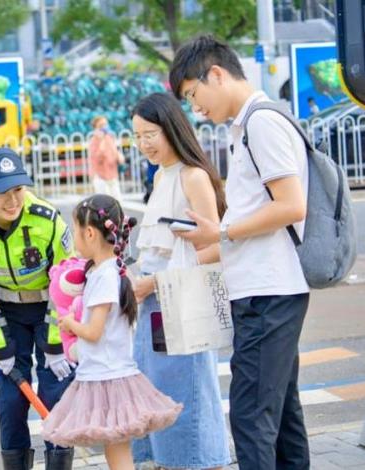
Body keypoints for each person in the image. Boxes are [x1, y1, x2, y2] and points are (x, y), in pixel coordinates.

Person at [169, 35, 310, 470]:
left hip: (270, 293)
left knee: (251, 417)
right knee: (281, 416)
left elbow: (291, 205)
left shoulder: (261, 123)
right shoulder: (248, 126)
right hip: (266, 289)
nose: (196, 109)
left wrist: (221, 231)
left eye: (194, 95)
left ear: (216, 74)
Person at [42, 194, 182, 470]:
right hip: (108, 373)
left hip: (106, 377)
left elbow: (94, 332)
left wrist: (70, 324)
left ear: (90, 233)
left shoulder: (104, 276)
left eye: (76, 232)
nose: (75, 240)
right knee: (115, 450)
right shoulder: (108, 270)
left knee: (117, 452)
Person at [0, 148, 76, 469]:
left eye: (18, 190)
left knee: (55, 397)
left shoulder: (47, 219)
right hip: (7, 317)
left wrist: (56, 343)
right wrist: (0, 346)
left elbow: (67, 285)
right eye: (2, 192)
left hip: (51, 314)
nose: (12, 201)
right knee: (10, 403)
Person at [130, 93, 231, 469]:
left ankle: (199, 462)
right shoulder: (161, 176)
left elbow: (215, 247)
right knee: (158, 390)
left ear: (172, 127)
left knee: (186, 392)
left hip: (181, 301)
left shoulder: (193, 177)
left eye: (150, 133)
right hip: (154, 303)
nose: (144, 144)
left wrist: (154, 283)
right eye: (138, 136)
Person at [88, 116, 125, 200]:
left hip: (112, 174)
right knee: (105, 202)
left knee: (117, 201)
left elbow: (114, 151)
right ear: (96, 128)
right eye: (101, 125)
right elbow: (97, 158)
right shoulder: (94, 140)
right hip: (100, 176)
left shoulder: (109, 137)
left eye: (105, 124)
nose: (105, 126)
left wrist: (119, 156)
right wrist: (101, 141)